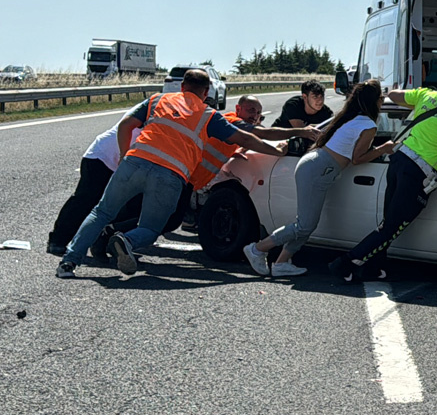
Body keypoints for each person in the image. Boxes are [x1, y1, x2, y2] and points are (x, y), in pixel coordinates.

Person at [56, 70, 286, 278]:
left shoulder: (158, 100)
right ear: (206, 93)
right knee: (151, 227)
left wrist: (126, 155)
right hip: (170, 174)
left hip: (135, 162)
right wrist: (274, 150)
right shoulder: (209, 116)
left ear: (182, 87)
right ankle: (126, 240)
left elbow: (126, 124)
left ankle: (68, 263)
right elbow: (244, 138)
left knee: (102, 212)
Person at [329, 66, 437, 283]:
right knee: (391, 227)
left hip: (398, 160)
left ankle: (374, 268)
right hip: (418, 172)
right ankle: (345, 263)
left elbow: (394, 96)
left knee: (388, 222)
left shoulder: (427, 95)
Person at [243, 80, 393, 278]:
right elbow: (357, 159)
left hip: (315, 164)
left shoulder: (350, 117)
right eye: (381, 98)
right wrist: (384, 149)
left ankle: (281, 263)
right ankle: (257, 249)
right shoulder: (368, 125)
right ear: (375, 101)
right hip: (319, 169)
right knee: (305, 224)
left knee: (306, 223)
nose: (382, 101)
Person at [47, 99, 149, 255]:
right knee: (86, 199)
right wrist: (124, 156)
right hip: (103, 156)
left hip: (127, 162)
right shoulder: (154, 105)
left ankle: (103, 239)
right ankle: (58, 240)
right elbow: (127, 125)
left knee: (132, 203)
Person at [188, 95, 321, 191]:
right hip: (189, 178)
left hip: (194, 179)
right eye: (251, 110)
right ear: (238, 108)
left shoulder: (230, 121)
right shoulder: (233, 121)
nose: (255, 116)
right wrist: (300, 132)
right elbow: (263, 134)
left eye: (258, 113)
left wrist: (233, 153)